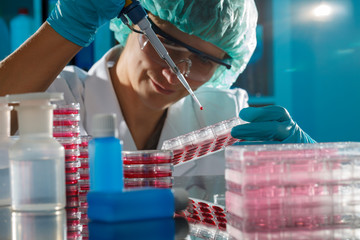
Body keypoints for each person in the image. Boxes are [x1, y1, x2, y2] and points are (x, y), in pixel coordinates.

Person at [0, 0, 315, 200]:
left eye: (204, 60)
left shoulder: (223, 114)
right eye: (164, 42)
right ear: (132, 22)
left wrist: (309, 163)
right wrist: (64, 28)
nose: (174, 73)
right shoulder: (54, 96)